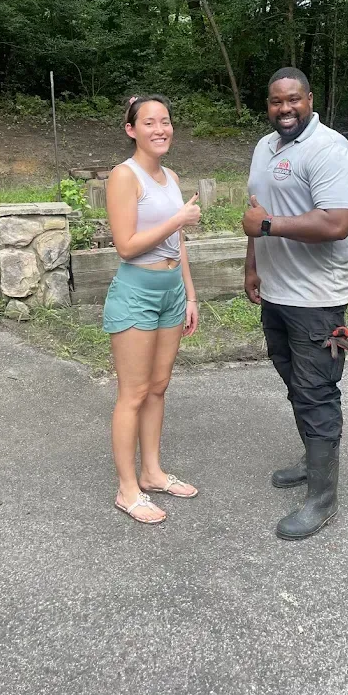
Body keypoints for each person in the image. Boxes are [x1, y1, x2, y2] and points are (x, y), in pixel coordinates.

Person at [243, 68, 348, 540]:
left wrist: (268, 228)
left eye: (293, 100)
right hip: (277, 291)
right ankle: (314, 460)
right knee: (295, 382)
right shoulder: (265, 147)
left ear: (310, 99)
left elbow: (336, 223)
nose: (284, 109)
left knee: (316, 391)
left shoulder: (330, 148)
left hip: (316, 299)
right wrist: (253, 264)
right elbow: (255, 213)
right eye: (275, 101)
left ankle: (322, 498)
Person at [104, 94, 202, 525]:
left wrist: (190, 295)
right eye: (149, 122)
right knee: (134, 392)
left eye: (165, 121)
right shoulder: (124, 177)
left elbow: (175, 246)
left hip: (170, 292)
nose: (160, 129)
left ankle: (152, 472)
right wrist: (178, 219)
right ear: (132, 130)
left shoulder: (171, 176)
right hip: (136, 291)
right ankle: (128, 490)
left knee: (159, 386)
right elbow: (126, 246)